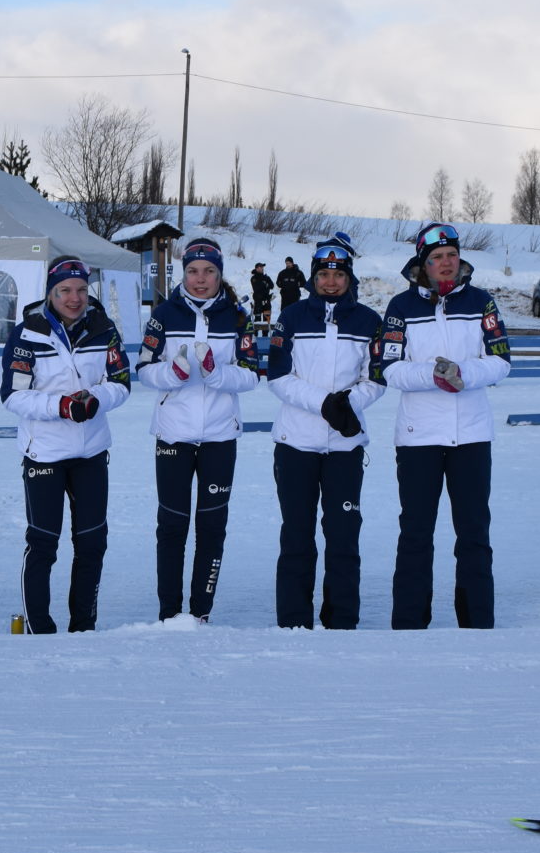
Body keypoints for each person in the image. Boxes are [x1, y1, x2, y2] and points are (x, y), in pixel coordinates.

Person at [373, 222, 512, 629]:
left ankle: (477, 623)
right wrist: (432, 376)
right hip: (418, 438)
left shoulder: (482, 301)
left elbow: (501, 360)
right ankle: (409, 624)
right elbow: (389, 368)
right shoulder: (401, 306)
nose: (446, 263)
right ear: (423, 263)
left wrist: (463, 373)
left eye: (451, 255)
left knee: (474, 533)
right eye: (436, 258)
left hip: (471, 435)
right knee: (415, 533)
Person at [0, 257, 132, 633]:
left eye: (81, 290)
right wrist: (60, 406)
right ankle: (39, 627)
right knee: (43, 543)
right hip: (44, 452)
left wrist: (94, 399)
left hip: (91, 451)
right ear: (50, 293)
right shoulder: (27, 334)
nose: (74, 299)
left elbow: (121, 382)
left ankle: (83, 625)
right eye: (65, 291)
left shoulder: (104, 328)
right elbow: (13, 396)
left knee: (92, 542)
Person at [136, 238, 261, 622]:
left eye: (209, 271)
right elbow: (144, 370)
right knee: (172, 525)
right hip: (173, 434)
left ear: (220, 274)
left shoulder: (237, 316)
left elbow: (251, 375)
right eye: (193, 271)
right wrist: (172, 373)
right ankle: (169, 613)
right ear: (183, 272)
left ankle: (201, 612)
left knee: (212, 527)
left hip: (220, 437)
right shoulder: (164, 314)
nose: (200, 279)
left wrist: (216, 373)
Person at [267, 233, 383, 629]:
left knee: (344, 537)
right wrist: (323, 403)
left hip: (345, 447)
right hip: (295, 444)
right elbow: (279, 376)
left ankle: (342, 621)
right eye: (323, 275)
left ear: (349, 277)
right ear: (313, 277)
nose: (331, 282)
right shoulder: (291, 317)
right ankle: (294, 622)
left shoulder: (368, 321)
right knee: (297, 536)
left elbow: (376, 379)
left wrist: (347, 405)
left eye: (338, 275)